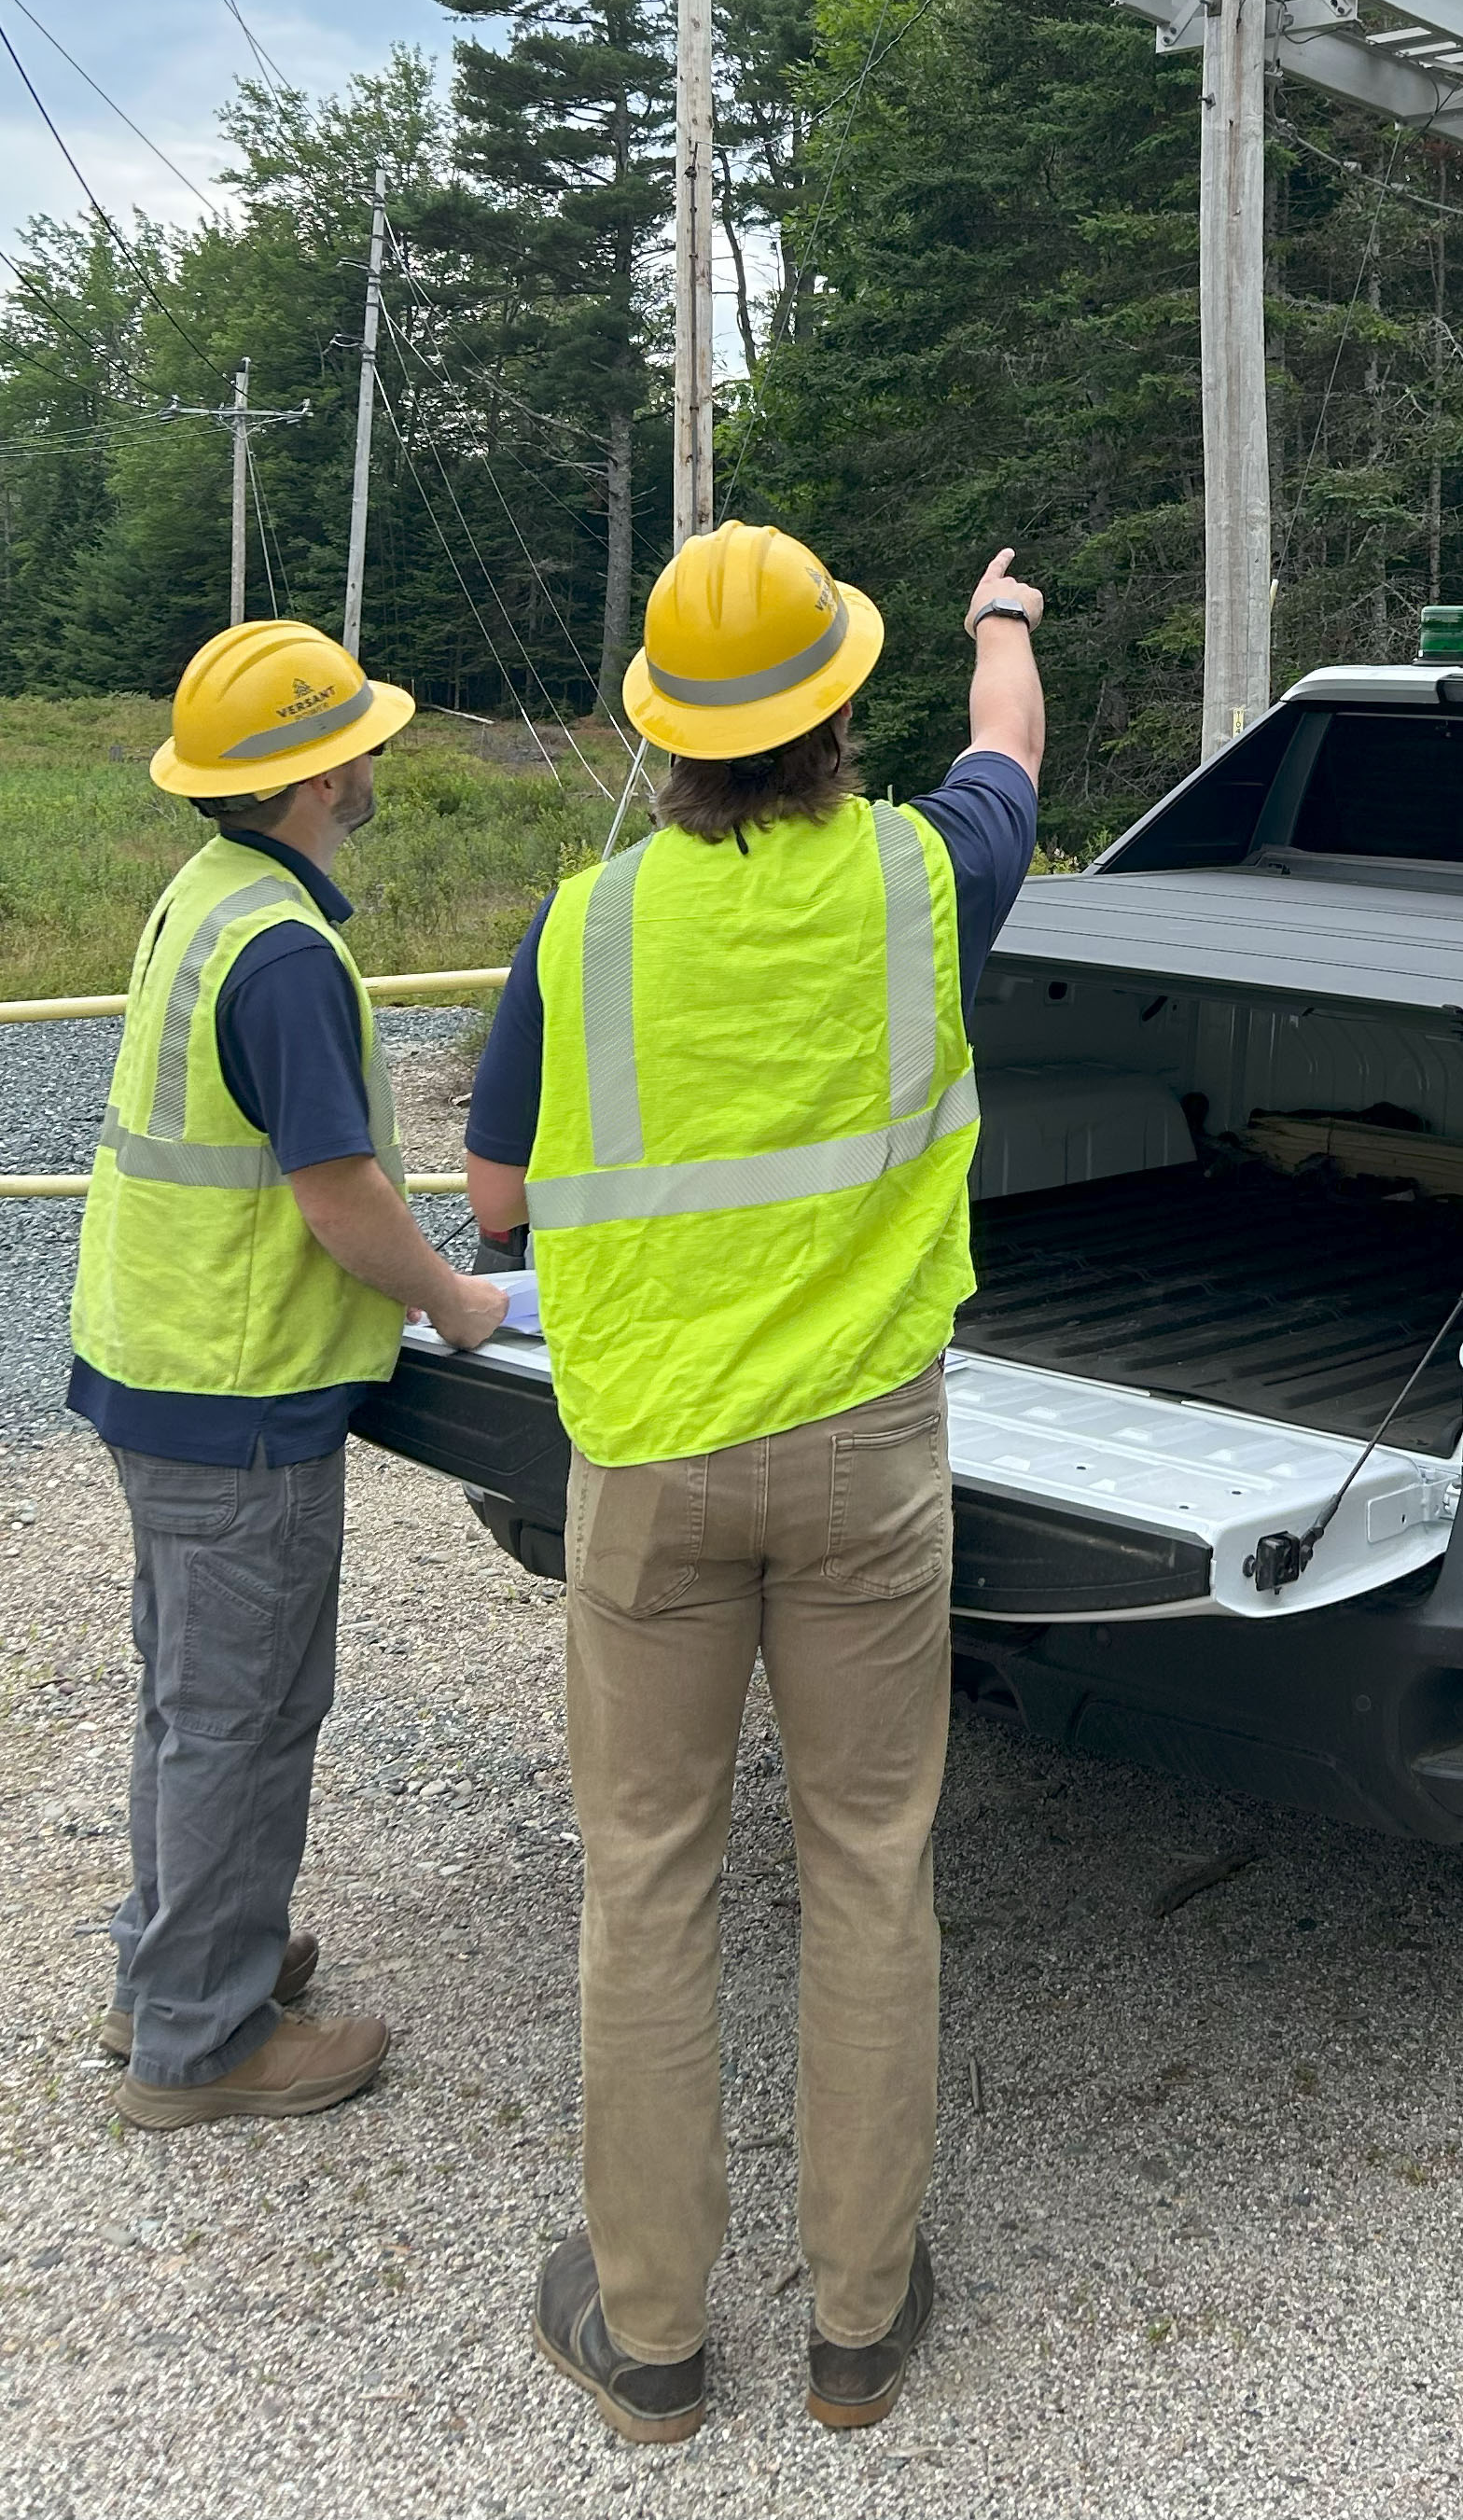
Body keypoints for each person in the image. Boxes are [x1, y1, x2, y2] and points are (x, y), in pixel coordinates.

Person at [463, 519, 1042, 2448]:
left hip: (648, 1464)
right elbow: (1015, 751)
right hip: (871, 1453)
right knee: (869, 1869)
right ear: (838, 707)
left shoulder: (582, 923)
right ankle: (859, 2331)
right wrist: (1005, 617)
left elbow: (494, 1201)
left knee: (647, 1886)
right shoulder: (921, 879)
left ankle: (649, 2343)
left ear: (670, 729)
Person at [71, 620, 510, 2132]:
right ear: (322, 772)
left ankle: (175, 1968)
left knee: (193, 1703)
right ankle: (201, 2041)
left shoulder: (209, 894)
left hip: (165, 1366)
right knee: (245, 1712)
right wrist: (455, 1298)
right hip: (237, 1396)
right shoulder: (284, 955)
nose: (381, 751)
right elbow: (339, 1196)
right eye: (367, 736)